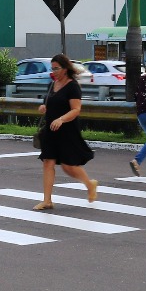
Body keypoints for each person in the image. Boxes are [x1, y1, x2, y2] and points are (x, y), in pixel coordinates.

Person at [33, 53, 98, 210]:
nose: (54, 71)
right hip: (50, 129)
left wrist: (61, 119)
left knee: (69, 166)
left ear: (65, 68)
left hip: (67, 130)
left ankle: (90, 184)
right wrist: (44, 108)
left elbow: (76, 110)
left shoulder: (73, 86)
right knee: (48, 162)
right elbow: (50, 103)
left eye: (56, 68)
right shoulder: (52, 85)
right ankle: (47, 200)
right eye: (52, 68)